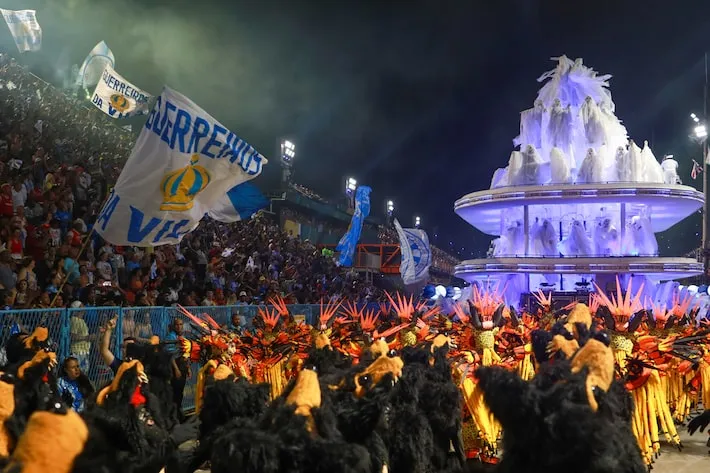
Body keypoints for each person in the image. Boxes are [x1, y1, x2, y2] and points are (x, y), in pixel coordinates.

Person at [165, 318, 190, 421]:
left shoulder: (182, 337)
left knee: (180, 393)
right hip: (175, 368)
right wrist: (176, 369)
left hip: (183, 367)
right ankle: (173, 417)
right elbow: (170, 356)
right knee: (175, 394)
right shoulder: (171, 337)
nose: (179, 326)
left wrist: (188, 367)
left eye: (181, 324)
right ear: (173, 326)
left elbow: (186, 353)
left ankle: (178, 415)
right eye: (177, 325)